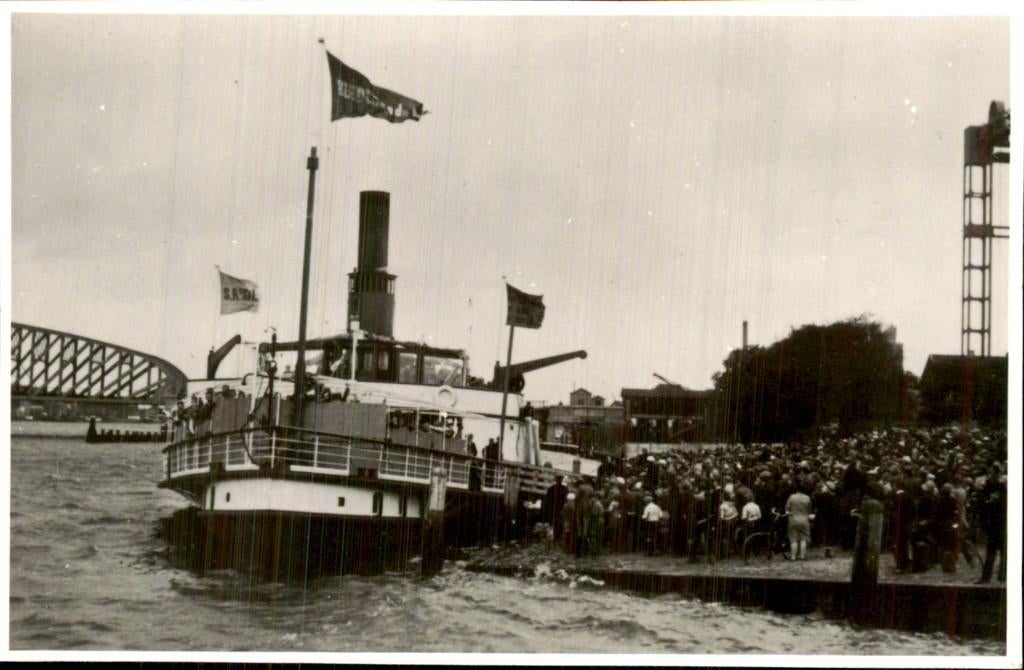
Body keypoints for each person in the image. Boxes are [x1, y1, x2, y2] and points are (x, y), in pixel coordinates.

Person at [976, 466, 1007, 584]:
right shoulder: (987, 488)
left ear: (997, 475)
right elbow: (982, 505)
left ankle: (1000, 575)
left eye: (992, 473)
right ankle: (987, 576)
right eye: (989, 473)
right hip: (992, 524)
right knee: (992, 552)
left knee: (1001, 552)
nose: (989, 475)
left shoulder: (1001, 488)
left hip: (1000, 523)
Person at [785, 484, 813, 560]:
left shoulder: (792, 497)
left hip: (793, 519)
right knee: (803, 539)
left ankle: (793, 556)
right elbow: (809, 510)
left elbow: (787, 509)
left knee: (793, 539)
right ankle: (802, 556)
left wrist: (788, 513)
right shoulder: (807, 498)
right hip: (804, 520)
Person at [542, 474, 569, 544]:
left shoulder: (551, 488)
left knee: (553, 521)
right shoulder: (565, 489)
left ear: (556, 480)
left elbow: (547, 499)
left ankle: (554, 536)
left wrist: (546, 507)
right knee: (559, 522)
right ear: (561, 480)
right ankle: (558, 536)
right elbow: (566, 499)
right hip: (560, 508)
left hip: (553, 507)